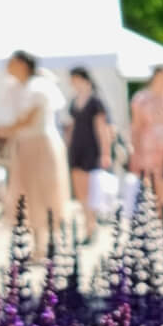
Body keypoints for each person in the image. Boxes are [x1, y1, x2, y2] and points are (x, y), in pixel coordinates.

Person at [0, 51, 70, 259]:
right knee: (27, 196)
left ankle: (50, 244)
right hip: (25, 146)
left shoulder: (39, 87)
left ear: (21, 63)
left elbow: (27, 121)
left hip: (42, 147)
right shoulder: (17, 89)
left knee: (44, 192)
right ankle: (38, 245)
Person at [66, 66, 113, 243]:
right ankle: (87, 224)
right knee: (80, 190)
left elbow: (102, 128)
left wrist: (105, 152)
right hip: (77, 147)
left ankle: (91, 226)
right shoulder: (74, 100)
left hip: (91, 147)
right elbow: (71, 126)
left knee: (91, 189)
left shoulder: (95, 101)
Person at [130, 65, 163, 228]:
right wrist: (135, 154)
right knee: (152, 189)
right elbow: (136, 128)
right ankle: (157, 226)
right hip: (149, 150)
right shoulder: (141, 98)